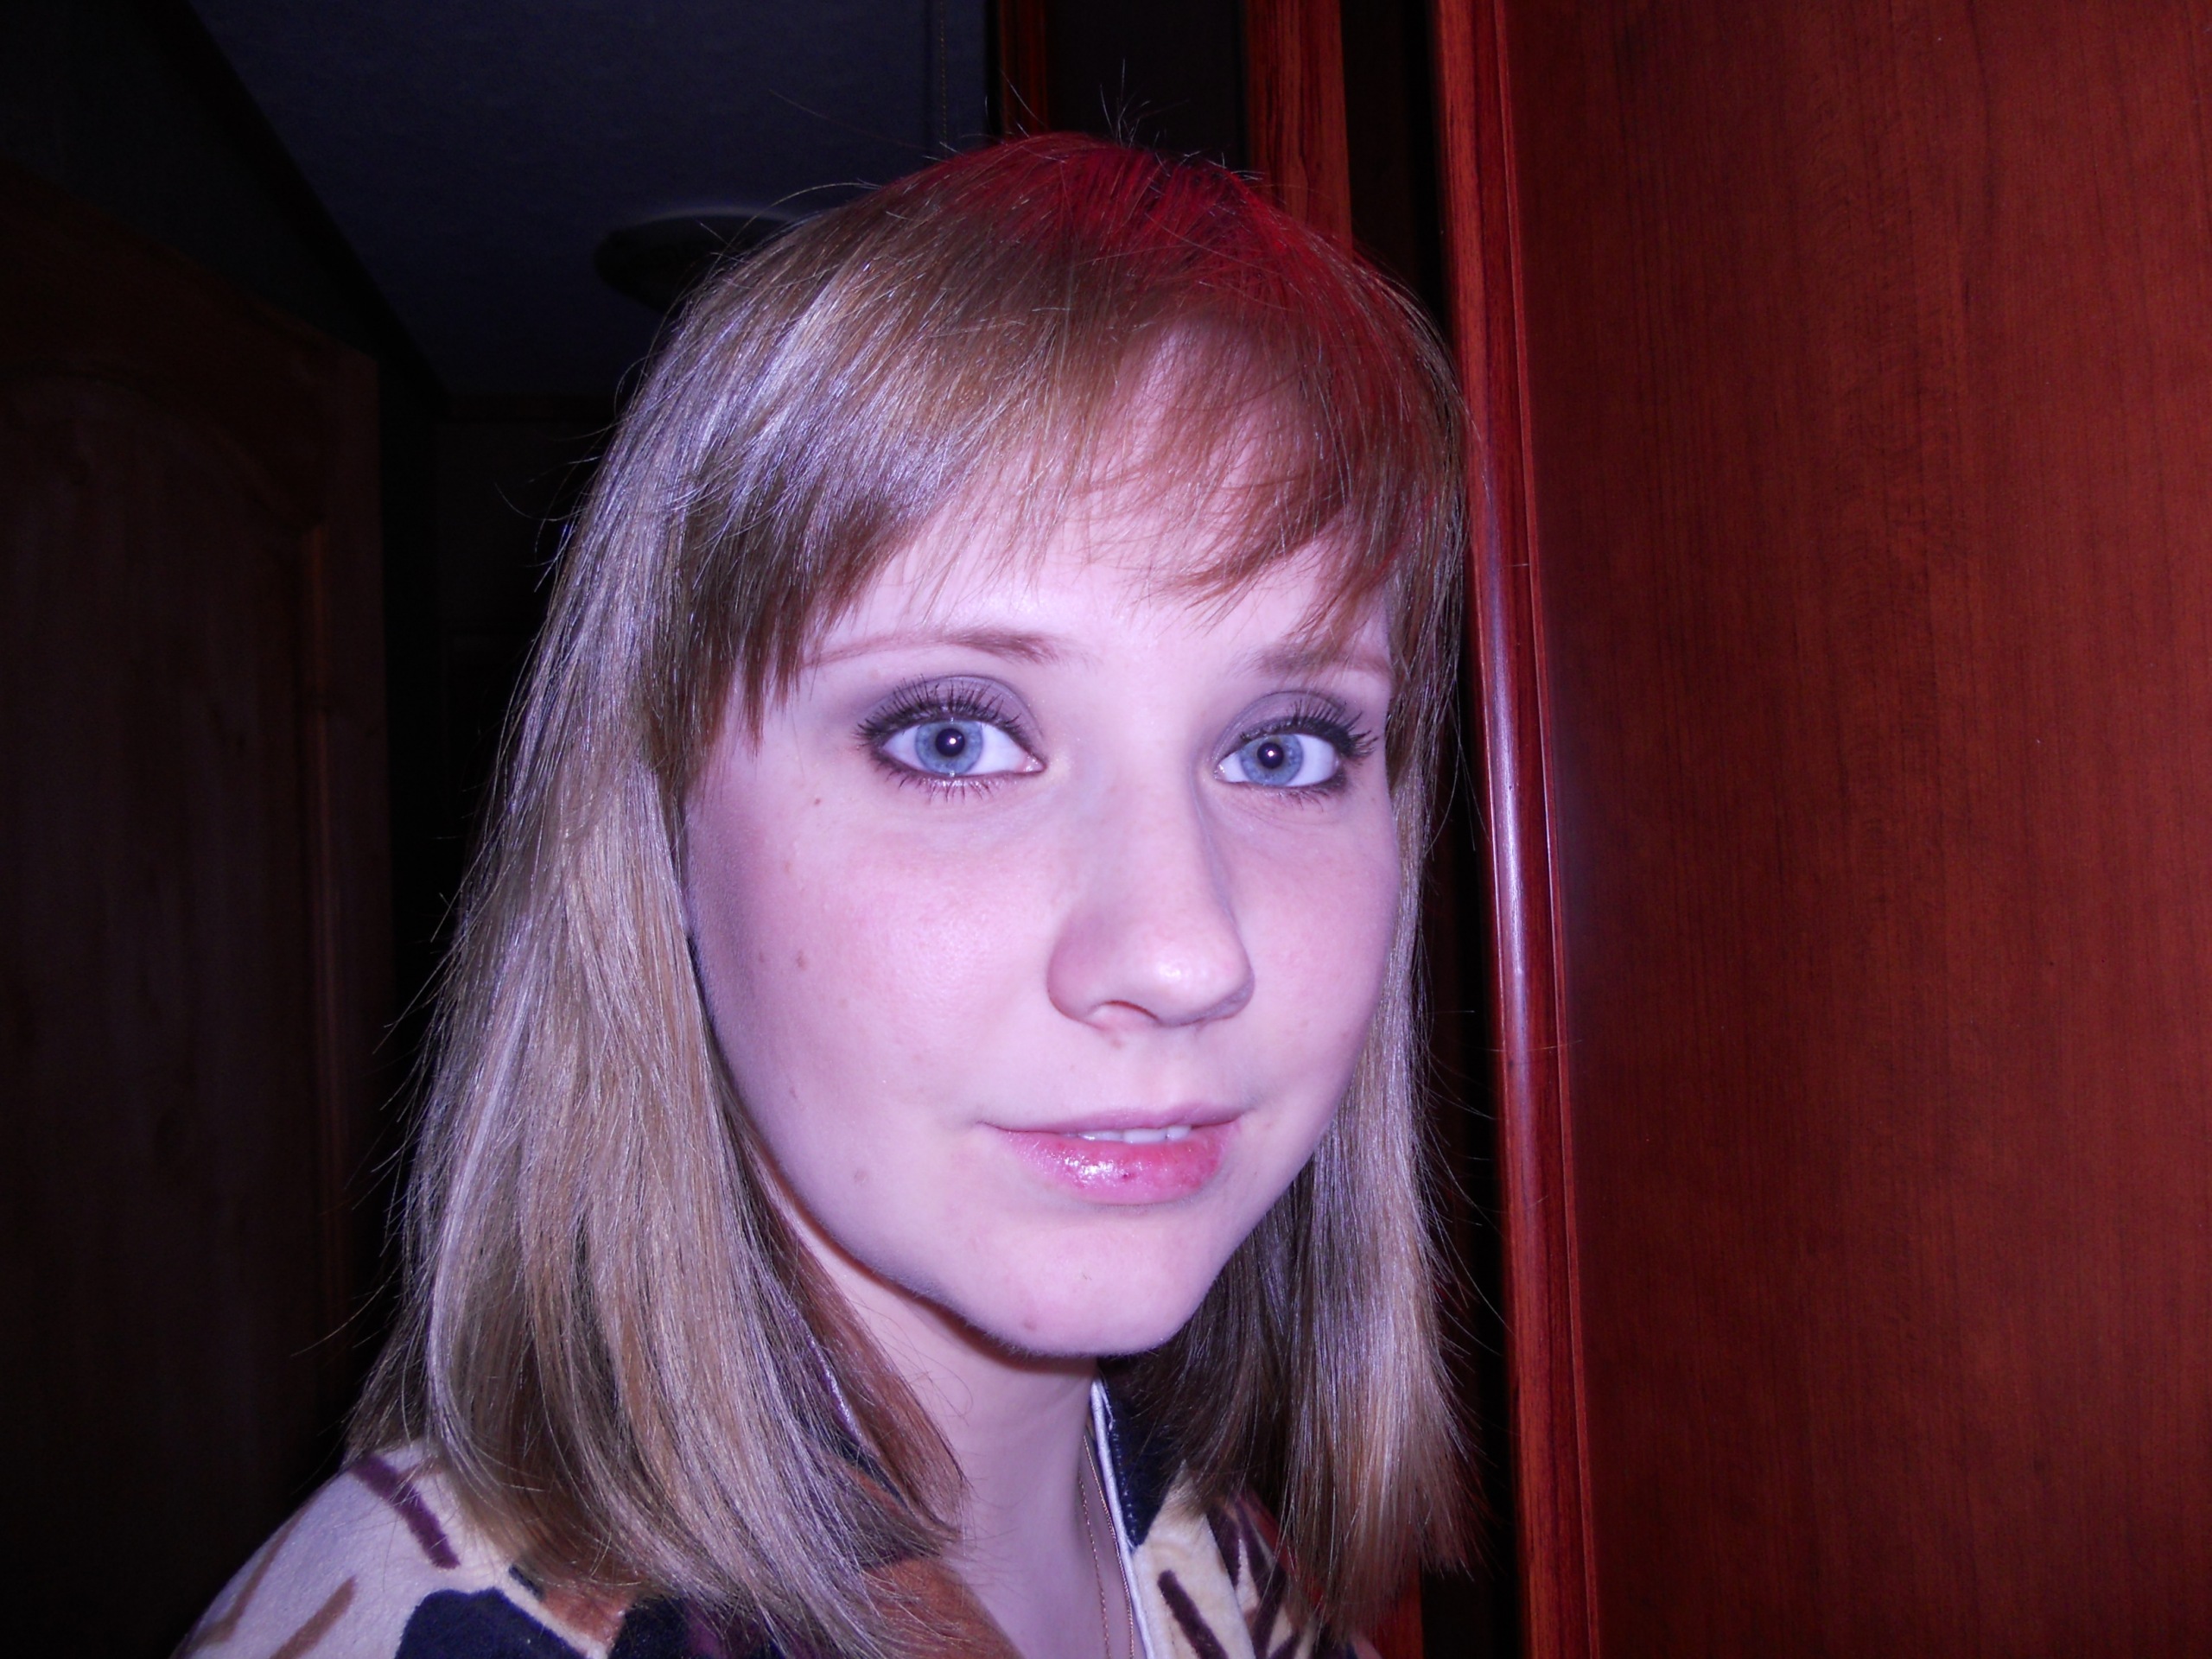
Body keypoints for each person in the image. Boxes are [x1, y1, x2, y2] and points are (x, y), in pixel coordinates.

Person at [181, 134, 1468, 1659]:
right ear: (655, 826)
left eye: (1282, 747)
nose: (1185, 953)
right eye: (954, 736)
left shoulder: (1205, 1544)